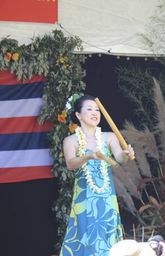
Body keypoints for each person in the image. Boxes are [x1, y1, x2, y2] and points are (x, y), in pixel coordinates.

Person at [59, 94, 135, 256]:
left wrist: (126, 154)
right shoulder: (70, 140)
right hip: (84, 198)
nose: (95, 113)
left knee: (107, 236)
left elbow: (119, 157)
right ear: (78, 115)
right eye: (89, 109)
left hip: (106, 197)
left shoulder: (109, 137)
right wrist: (88, 156)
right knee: (85, 236)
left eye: (97, 109)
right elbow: (71, 164)